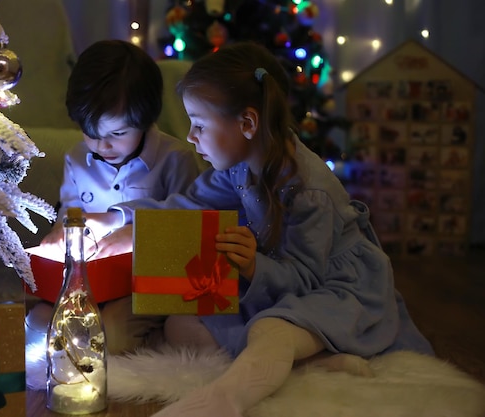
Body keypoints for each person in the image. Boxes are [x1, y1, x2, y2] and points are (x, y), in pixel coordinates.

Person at [84, 42, 434, 417]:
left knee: (271, 328)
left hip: (334, 288)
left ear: (247, 123)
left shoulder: (308, 188)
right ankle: (306, 366)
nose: (190, 136)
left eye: (199, 125)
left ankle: (225, 399)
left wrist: (252, 267)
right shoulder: (238, 167)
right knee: (182, 327)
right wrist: (118, 217)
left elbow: (305, 278)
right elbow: (189, 204)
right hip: (278, 282)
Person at [36, 39, 202, 354]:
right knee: (40, 322)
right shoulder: (76, 159)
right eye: (92, 134)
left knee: (108, 333)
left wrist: (130, 227)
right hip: (91, 284)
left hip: (150, 288)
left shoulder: (174, 158)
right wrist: (62, 234)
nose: (103, 146)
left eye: (117, 134)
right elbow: (70, 214)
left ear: (146, 120)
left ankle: (157, 344)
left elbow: (189, 224)